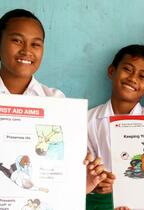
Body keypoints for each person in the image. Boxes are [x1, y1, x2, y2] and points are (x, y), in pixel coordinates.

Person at [0, 8, 104, 196]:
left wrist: (82, 183)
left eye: (36, 44)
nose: (26, 50)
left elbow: (59, 171)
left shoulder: (55, 102)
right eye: (17, 40)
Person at [87, 44, 144, 210]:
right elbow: (79, 166)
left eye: (142, 76)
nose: (132, 78)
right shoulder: (87, 120)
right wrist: (94, 181)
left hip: (138, 202)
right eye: (127, 69)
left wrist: (123, 187)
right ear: (112, 71)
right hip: (97, 201)